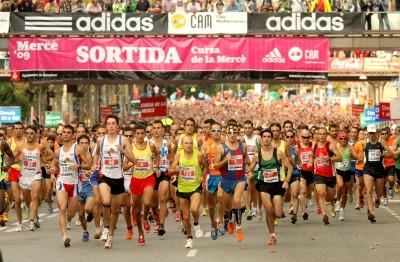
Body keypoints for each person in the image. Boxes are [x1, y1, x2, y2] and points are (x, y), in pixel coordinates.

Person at [92, 115, 136, 248]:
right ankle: (105, 228)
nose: (111, 126)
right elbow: (97, 154)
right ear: (106, 126)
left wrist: (124, 151)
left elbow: (134, 160)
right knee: (105, 201)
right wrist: (95, 164)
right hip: (105, 176)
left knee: (116, 210)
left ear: (117, 126)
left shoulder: (124, 140)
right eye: (109, 123)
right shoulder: (101, 140)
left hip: (118, 178)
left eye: (113, 123)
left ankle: (110, 235)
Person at [248, 128, 292, 245]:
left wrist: (287, 180)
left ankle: (279, 213)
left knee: (277, 213)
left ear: (271, 139)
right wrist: (250, 173)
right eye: (264, 137)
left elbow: (290, 167)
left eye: (269, 137)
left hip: (277, 185)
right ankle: (272, 235)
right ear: (261, 139)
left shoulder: (278, 153)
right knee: (268, 209)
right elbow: (250, 168)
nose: (266, 139)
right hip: (263, 184)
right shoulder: (257, 155)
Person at [53, 125, 91, 247]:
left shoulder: (78, 149)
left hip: (75, 184)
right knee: (62, 209)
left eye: (68, 132)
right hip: (62, 182)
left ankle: (81, 228)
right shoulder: (57, 152)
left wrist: (78, 166)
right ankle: (65, 236)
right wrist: (51, 170)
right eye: (63, 132)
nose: (65, 134)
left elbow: (88, 164)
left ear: (73, 135)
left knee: (72, 213)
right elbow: (55, 166)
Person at [214, 122, 249, 242]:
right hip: (226, 180)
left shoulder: (242, 146)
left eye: (235, 132)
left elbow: (246, 159)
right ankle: (229, 220)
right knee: (228, 207)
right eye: (230, 132)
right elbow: (215, 166)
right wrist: (225, 160)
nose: (232, 135)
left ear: (238, 133)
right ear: (226, 134)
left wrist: (249, 168)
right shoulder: (221, 147)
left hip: (239, 179)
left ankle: (239, 227)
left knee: (236, 200)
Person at [170, 135, 207, 249]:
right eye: (186, 143)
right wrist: (176, 170)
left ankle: (196, 224)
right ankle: (189, 238)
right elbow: (171, 169)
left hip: (195, 186)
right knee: (185, 217)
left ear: (193, 144)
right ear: (182, 145)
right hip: (182, 188)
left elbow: (205, 167)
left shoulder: (199, 155)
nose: (188, 145)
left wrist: (203, 177)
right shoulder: (179, 154)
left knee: (195, 209)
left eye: (190, 143)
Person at [130, 123, 159, 246]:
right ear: (135, 135)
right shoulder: (131, 147)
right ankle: (140, 233)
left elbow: (157, 155)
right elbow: (126, 163)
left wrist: (156, 166)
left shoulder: (150, 145)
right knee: (136, 210)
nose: (141, 136)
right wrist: (129, 165)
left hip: (148, 178)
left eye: (142, 133)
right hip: (136, 180)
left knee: (147, 203)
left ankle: (145, 217)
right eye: (138, 134)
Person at [361, 125, 393, 223]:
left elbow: (390, 153)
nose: (372, 135)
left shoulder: (381, 142)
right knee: (369, 190)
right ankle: (371, 212)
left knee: (379, 191)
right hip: (368, 170)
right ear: (368, 133)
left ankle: (378, 198)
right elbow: (356, 152)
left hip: (379, 169)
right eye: (370, 133)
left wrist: (383, 154)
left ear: (376, 133)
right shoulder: (363, 142)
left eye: (373, 133)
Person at [201, 121, 224, 240]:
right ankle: (213, 224)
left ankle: (220, 221)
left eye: (218, 130)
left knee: (221, 198)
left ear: (221, 132)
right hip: (211, 176)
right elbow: (202, 161)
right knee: (211, 205)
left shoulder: (225, 143)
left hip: (223, 175)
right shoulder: (205, 144)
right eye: (213, 130)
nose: (216, 132)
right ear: (210, 131)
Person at [313, 127, 341, 225]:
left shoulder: (331, 145)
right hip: (318, 174)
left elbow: (339, 157)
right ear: (317, 135)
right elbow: (312, 157)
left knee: (329, 196)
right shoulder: (315, 145)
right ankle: (324, 214)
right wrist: (309, 163)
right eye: (320, 134)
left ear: (326, 135)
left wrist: (329, 158)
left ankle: (332, 203)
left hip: (330, 175)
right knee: (321, 193)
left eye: (324, 134)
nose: (321, 136)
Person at [150, 120, 172, 236]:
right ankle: (157, 219)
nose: (156, 130)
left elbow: (171, 157)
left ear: (163, 130)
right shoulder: (147, 143)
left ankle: (161, 225)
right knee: (152, 203)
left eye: (158, 128)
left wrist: (172, 170)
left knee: (163, 198)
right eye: (154, 128)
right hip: (151, 173)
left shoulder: (167, 143)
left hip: (164, 172)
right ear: (152, 130)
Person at [334, 132, 359, 221]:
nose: (343, 140)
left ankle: (342, 210)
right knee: (340, 185)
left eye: (345, 139)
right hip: (338, 170)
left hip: (347, 171)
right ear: (339, 139)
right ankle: (337, 201)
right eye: (341, 139)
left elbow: (357, 157)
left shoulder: (350, 147)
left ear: (347, 139)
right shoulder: (336, 146)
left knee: (345, 194)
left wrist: (352, 152)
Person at [7, 122, 25, 232]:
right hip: (14, 170)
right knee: (17, 199)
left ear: (22, 130)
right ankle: (19, 223)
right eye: (16, 129)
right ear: (13, 130)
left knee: (27, 198)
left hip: (26, 171)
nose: (18, 130)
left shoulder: (27, 141)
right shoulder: (9, 142)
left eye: (20, 128)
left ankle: (34, 217)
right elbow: (6, 158)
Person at [76, 135, 94, 242]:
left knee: (87, 209)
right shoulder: (75, 156)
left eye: (86, 143)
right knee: (81, 214)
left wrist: (91, 173)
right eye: (81, 143)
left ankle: (91, 212)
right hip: (78, 186)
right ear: (78, 144)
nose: (84, 145)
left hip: (90, 186)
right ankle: (85, 231)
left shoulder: (93, 155)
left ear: (89, 144)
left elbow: (97, 169)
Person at [0, 129, 15, 227]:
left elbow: (12, 157)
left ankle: (4, 209)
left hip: (1, 176)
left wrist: (8, 166)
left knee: (0, 203)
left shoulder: (2, 144)